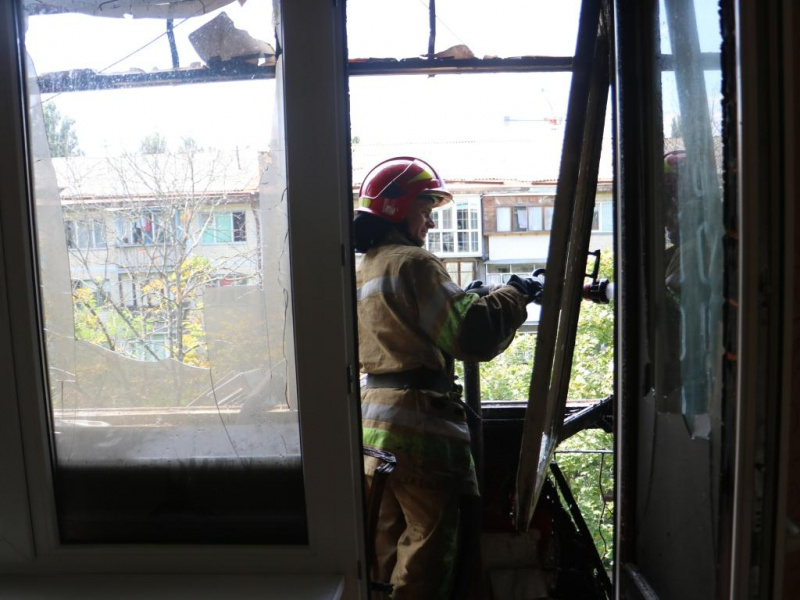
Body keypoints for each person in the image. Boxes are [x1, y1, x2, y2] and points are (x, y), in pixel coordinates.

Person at [354, 156, 543, 599]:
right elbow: (471, 333)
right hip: (421, 428)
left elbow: (403, 327)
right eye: (425, 210)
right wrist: (517, 294)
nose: (430, 222)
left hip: (372, 429)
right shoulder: (414, 262)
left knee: (383, 550)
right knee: (430, 553)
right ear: (397, 209)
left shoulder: (365, 268)